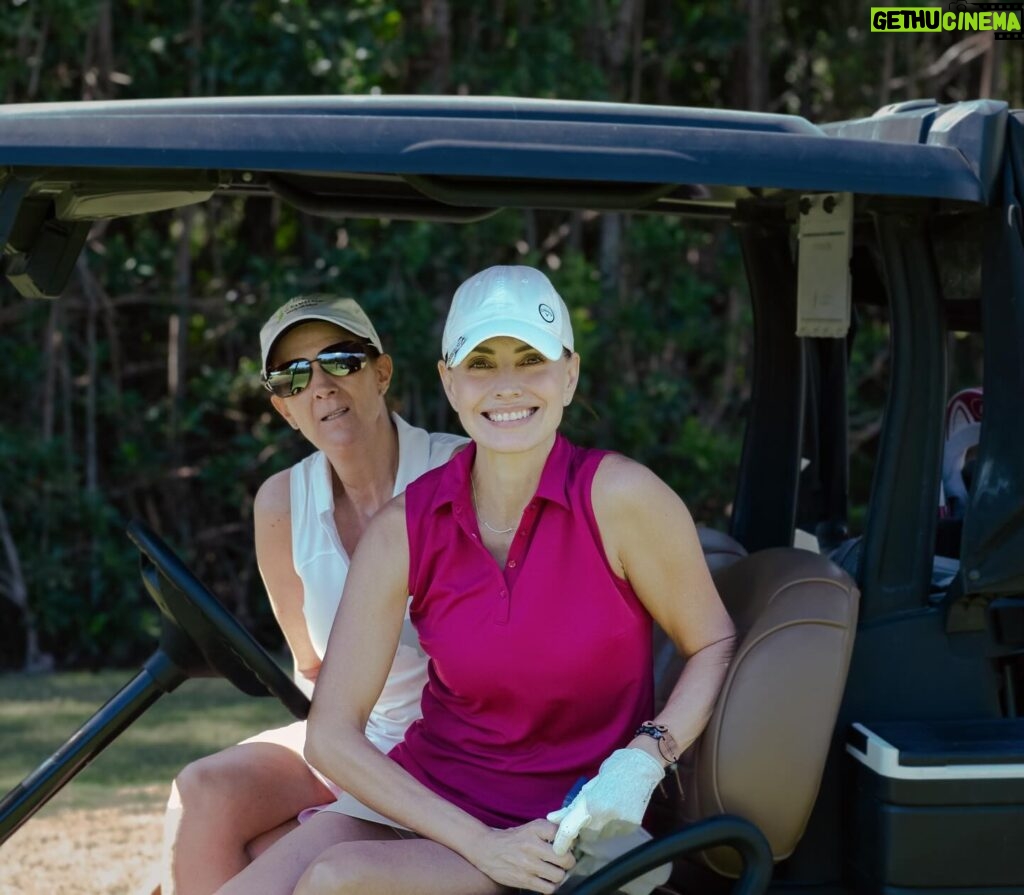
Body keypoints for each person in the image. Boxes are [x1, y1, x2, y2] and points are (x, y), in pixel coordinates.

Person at [214, 265, 737, 895]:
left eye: (530, 359)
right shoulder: (405, 526)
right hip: (437, 801)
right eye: (481, 363)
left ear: (568, 374)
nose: (506, 386)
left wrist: (647, 755)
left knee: (337, 881)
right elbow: (330, 734)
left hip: (574, 821)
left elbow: (713, 643)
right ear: (450, 382)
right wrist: (480, 844)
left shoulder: (622, 497)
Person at [156, 294, 466, 895]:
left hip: (444, 756)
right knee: (202, 791)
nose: (319, 385)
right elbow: (313, 667)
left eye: (340, 360)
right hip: (351, 741)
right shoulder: (279, 503)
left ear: (381, 373)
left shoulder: (460, 472)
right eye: (294, 376)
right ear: (284, 409)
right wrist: (344, 765)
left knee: (273, 857)